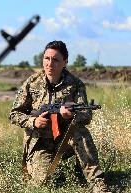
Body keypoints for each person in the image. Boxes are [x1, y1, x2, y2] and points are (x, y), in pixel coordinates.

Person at [9, 40, 112, 193]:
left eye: (55, 59)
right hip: (39, 144)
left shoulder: (75, 84)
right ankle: (66, 172)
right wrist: (33, 121)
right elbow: (14, 114)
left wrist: (69, 116)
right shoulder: (31, 83)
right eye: (46, 58)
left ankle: (97, 182)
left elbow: (86, 115)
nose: (50, 63)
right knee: (44, 182)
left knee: (80, 131)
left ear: (65, 62)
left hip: (64, 140)